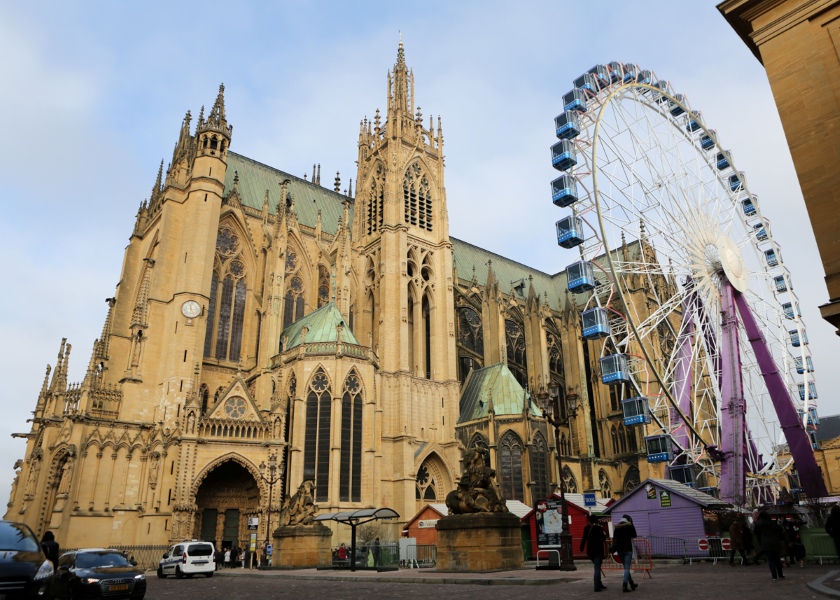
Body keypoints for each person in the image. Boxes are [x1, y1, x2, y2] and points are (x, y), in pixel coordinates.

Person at [580, 515, 608, 592]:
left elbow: (584, 538)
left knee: (597, 567)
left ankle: (599, 583)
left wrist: (581, 548)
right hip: (598, 550)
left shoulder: (586, 528)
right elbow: (603, 539)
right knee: (597, 568)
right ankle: (597, 586)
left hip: (590, 551)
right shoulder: (600, 528)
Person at [754, 511, 785, 580]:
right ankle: (780, 574)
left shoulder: (758, 524)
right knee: (777, 559)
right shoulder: (772, 523)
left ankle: (774, 575)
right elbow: (780, 530)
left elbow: (756, 532)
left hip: (765, 542)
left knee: (770, 560)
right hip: (775, 541)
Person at [612, 514, 638, 593]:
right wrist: (632, 525)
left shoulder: (617, 527)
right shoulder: (629, 526)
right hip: (628, 549)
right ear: (628, 520)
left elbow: (614, 538)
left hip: (620, 550)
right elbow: (634, 535)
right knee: (627, 568)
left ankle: (632, 584)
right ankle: (624, 585)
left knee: (626, 568)